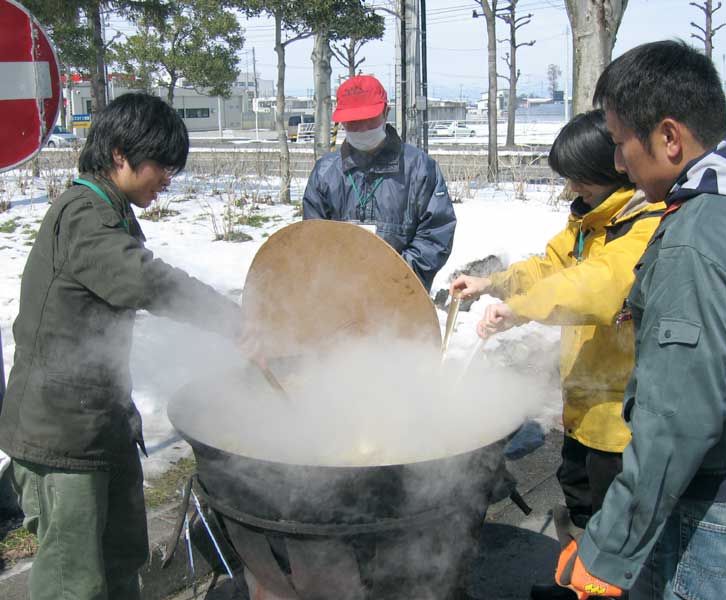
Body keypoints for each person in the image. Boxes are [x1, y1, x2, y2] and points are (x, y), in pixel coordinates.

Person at [552, 40, 726, 599]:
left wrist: (606, 552)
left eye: (620, 143)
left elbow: (677, 420)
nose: (618, 164)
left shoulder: (697, 242)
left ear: (669, 137)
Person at [0, 93, 244, 600]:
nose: (167, 179)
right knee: (73, 581)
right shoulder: (83, 215)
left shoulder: (111, 212)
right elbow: (143, 280)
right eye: (161, 165)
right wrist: (233, 323)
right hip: (62, 435)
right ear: (119, 154)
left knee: (121, 560)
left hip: (104, 424)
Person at [450, 109, 665, 599]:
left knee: (617, 525)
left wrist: (519, 309)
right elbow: (549, 267)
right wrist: (491, 283)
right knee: (581, 506)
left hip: (622, 418)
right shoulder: (589, 220)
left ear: (610, 170)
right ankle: (575, 586)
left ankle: (604, 591)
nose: (571, 189)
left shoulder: (644, 226)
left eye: (578, 178)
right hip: (583, 407)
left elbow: (596, 286)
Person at [302, 75, 456, 292]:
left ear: (386, 112)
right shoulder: (325, 172)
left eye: (369, 119)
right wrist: (337, 279)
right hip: (339, 294)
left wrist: (393, 276)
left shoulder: (419, 168)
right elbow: (313, 237)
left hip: (402, 292)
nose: (362, 128)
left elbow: (436, 233)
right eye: (353, 122)